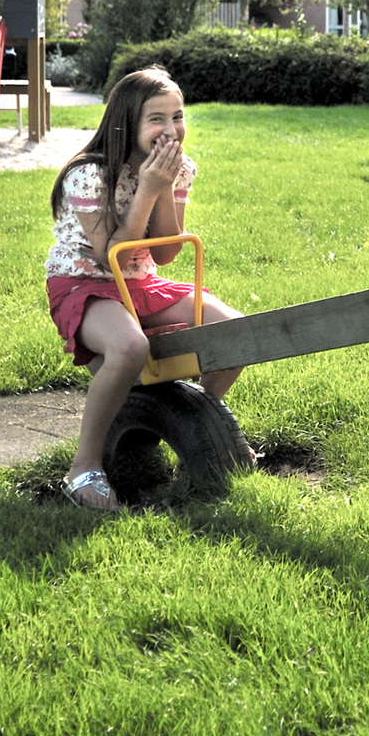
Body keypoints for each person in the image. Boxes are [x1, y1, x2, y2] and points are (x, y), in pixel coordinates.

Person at [45, 67, 245, 508]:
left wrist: (165, 186)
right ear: (127, 124)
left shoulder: (178, 169)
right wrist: (148, 189)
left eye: (178, 116)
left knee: (235, 333)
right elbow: (108, 255)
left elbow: (169, 253)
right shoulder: (90, 175)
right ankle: (83, 468)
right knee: (130, 348)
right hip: (85, 282)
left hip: (140, 281)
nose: (171, 129)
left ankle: (192, 423)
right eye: (157, 119)